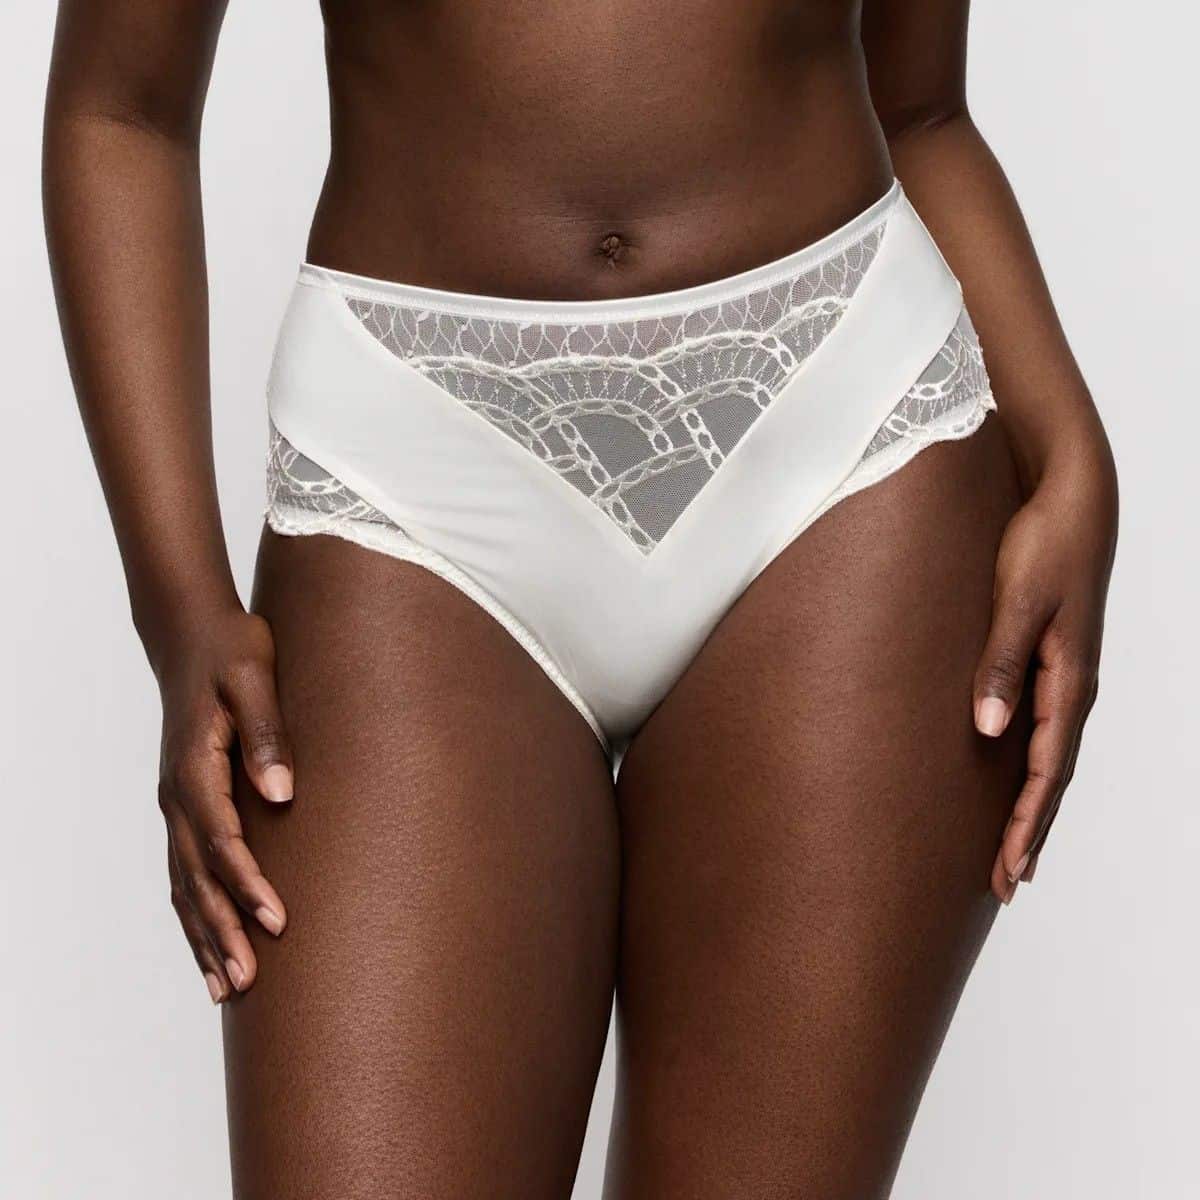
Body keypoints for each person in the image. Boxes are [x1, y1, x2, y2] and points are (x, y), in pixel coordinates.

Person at [43, 1, 1118, 1196]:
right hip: (413, 466)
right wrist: (179, 608)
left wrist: (1070, 443)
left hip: (843, 434)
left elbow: (920, 108)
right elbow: (119, 112)